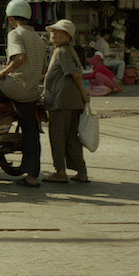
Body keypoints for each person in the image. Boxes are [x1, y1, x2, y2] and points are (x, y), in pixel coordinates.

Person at [0, 0, 46, 189]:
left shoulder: (15, 34)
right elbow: (43, 68)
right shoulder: (39, 38)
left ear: (10, 18)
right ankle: (32, 177)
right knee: (31, 132)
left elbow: (20, 57)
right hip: (31, 91)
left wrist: (2, 72)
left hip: (15, 86)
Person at [42, 20, 90, 184]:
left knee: (57, 136)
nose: (54, 34)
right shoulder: (65, 50)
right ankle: (81, 172)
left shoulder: (62, 51)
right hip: (71, 101)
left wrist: (84, 94)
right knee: (71, 137)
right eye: (53, 31)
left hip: (62, 101)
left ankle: (60, 172)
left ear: (68, 36)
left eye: (59, 32)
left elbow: (75, 75)